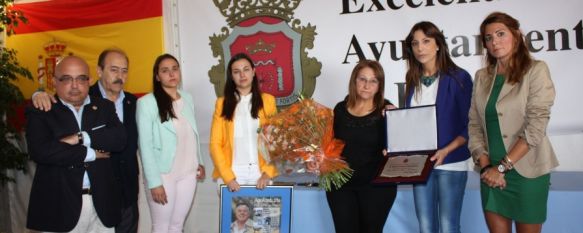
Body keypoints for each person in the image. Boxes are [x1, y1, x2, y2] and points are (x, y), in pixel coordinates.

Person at [32, 48, 140, 233]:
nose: (75, 85)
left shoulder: (106, 106)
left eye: (81, 79)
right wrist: (91, 154)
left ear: (87, 80)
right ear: (54, 82)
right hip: (61, 205)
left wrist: (80, 138)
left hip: (104, 201)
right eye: (67, 79)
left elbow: (119, 139)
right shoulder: (44, 109)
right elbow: (42, 152)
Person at [469, 12, 558, 233]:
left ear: (516, 36)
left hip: (526, 173)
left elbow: (536, 127)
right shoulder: (482, 76)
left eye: (500, 34)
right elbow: (474, 124)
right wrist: (487, 166)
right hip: (489, 173)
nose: (494, 41)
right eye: (488, 38)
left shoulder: (536, 70)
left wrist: (502, 167)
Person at [403, 21, 473, 233]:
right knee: (425, 227)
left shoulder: (459, 77)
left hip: (450, 163)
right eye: (415, 43)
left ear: (438, 45)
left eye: (426, 41)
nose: (420, 48)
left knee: (448, 226)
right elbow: (412, 121)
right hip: (420, 164)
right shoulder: (412, 78)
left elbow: (471, 124)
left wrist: (447, 150)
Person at [136, 53, 205, 232]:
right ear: (157, 76)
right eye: (165, 71)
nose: (171, 74)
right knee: (161, 226)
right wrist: (154, 182)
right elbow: (145, 146)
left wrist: (200, 162)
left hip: (189, 171)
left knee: (177, 224)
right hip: (163, 174)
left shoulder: (187, 98)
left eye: (175, 69)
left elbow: (192, 133)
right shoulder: (147, 103)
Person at [327, 60, 397, 233]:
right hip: (341, 187)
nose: (367, 86)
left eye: (373, 81)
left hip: (376, 187)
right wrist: (317, 160)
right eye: (362, 79)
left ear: (379, 85)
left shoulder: (387, 110)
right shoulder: (339, 109)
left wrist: (397, 121)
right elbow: (329, 146)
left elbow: (401, 148)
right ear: (354, 81)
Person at [209, 53, 278, 192]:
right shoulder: (221, 104)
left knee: (261, 214)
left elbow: (276, 141)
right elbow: (215, 144)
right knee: (233, 213)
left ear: (253, 72)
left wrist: (268, 173)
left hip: (261, 172)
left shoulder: (268, 101)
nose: (242, 75)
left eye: (246, 69)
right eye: (236, 72)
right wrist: (228, 177)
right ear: (231, 76)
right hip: (231, 173)